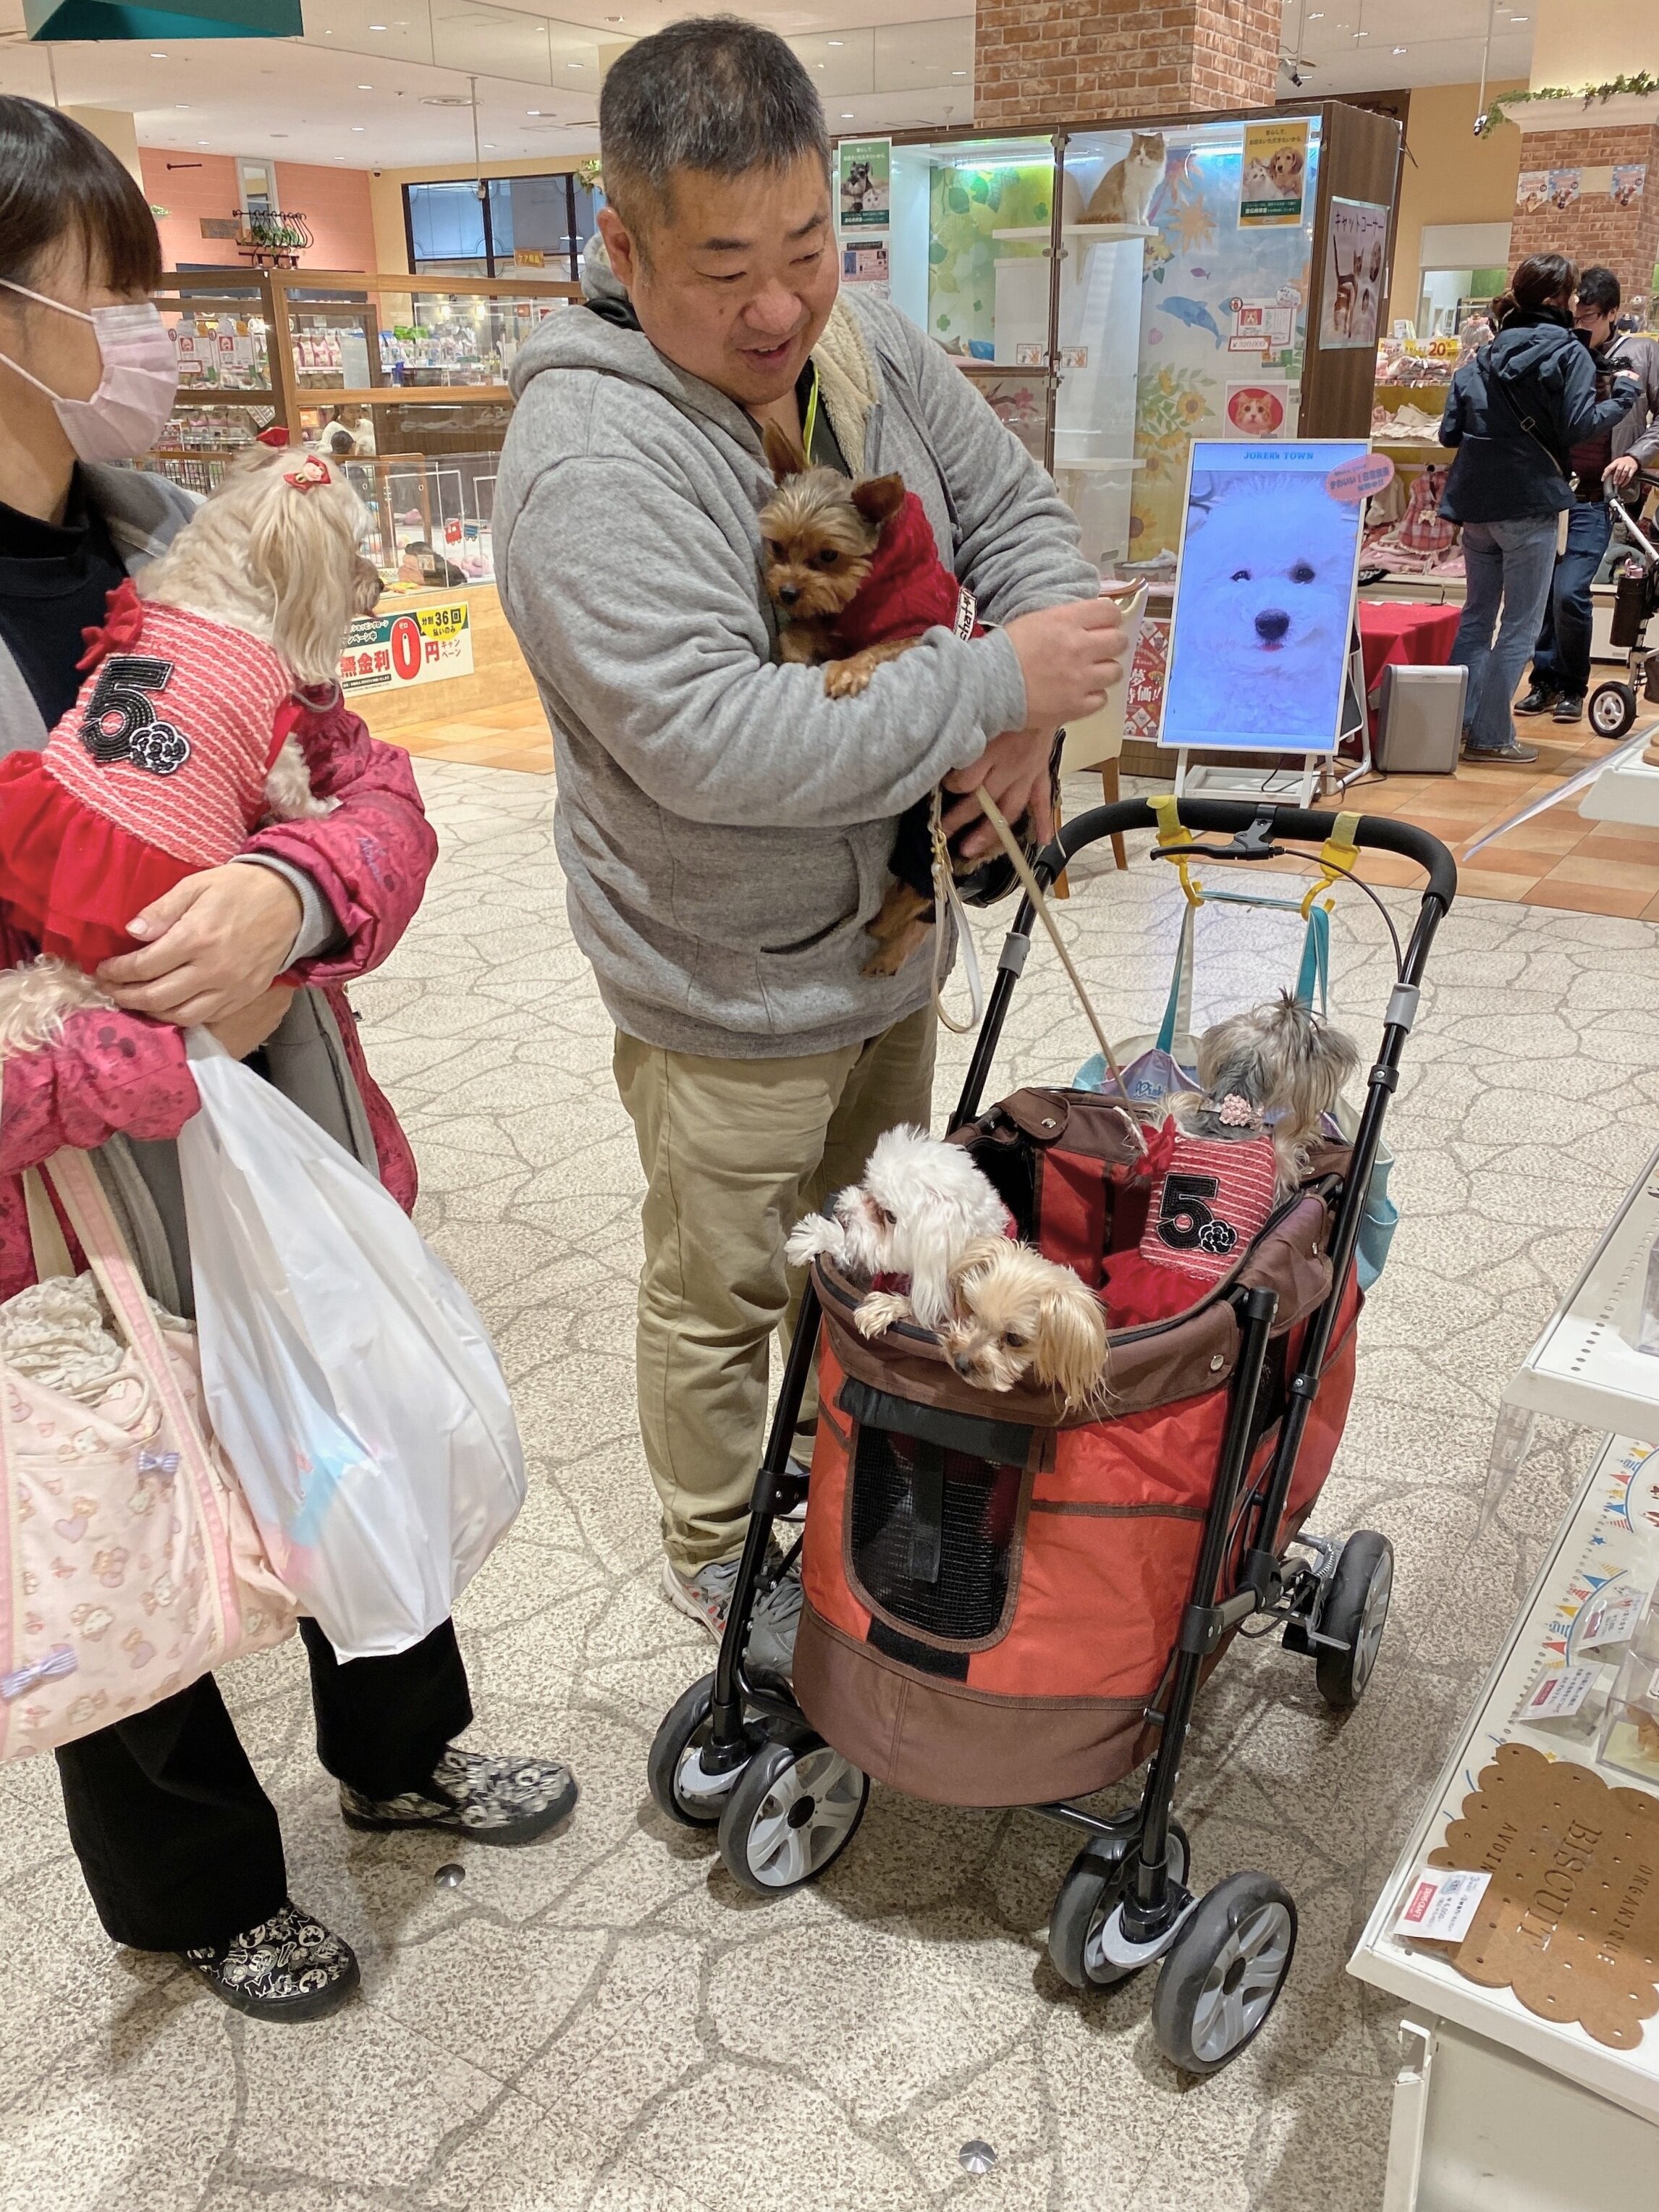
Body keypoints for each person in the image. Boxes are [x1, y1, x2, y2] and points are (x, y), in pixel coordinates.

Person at [0, 98, 577, 2023]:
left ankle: (400, 1755)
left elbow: (380, 791)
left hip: (297, 1129)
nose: (150, 339)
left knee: (356, 1437)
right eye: (116, 297)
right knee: (127, 1518)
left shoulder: (199, 541)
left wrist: (292, 897)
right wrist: (126, 1060)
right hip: (57, 1219)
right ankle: (192, 1892)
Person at [494, 21, 1122, 1674]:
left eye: (806, 249)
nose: (779, 307)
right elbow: (714, 742)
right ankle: (718, 1553)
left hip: (886, 925)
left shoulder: (869, 352)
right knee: (723, 1280)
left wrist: (1028, 724)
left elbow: (1021, 518)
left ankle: (837, 1472)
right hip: (719, 966)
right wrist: (988, 678)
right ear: (620, 247)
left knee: (869, 1239)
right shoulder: (590, 460)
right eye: (722, 269)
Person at [1438, 252, 1641, 764]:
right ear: (1559, 298)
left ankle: (1452, 727)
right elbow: (1576, 426)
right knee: (1521, 626)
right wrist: (1623, 397)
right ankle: (1489, 736)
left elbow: (1449, 432)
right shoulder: (1568, 353)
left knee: (1477, 617)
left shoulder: (1484, 354)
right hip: (1528, 503)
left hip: (1475, 505)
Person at [1516, 265, 1659, 724]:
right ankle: (1544, 680)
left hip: (1603, 496)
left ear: (1613, 314)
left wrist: (1636, 455)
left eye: (1591, 317)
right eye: (1575, 314)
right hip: (1551, 493)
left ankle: (1574, 685)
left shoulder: (1640, 353)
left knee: (1571, 591)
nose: (1581, 325)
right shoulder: (1560, 348)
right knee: (1544, 591)